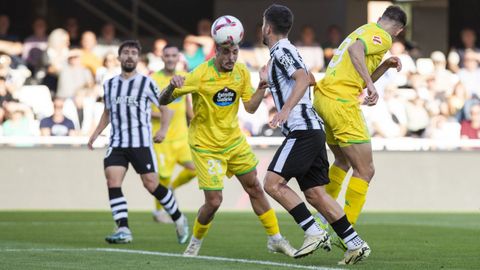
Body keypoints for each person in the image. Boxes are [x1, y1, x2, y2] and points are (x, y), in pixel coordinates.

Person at [159, 26, 295, 257]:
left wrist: (262, 87)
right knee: (214, 201)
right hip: (206, 145)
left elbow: (250, 108)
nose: (231, 57)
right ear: (216, 52)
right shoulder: (200, 74)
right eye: (226, 52)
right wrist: (172, 85)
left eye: (235, 52)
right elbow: (163, 99)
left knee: (254, 186)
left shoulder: (241, 72)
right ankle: (195, 241)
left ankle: (275, 239)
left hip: (233, 141)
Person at [260, 4, 370, 265]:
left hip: (302, 130)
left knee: (272, 183)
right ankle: (355, 243)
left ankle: (313, 231)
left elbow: (301, 78)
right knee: (315, 194)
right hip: (311, 129)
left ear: (267, 27)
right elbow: (309, 77)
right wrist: (270, 82)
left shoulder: (282, 50)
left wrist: (285, 109)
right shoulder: (286, 51)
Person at [313, 6, 406, 229]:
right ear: (399, 31)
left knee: (343, 161)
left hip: (324, 98)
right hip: (342, 103)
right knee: (366, 170)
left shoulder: (364, 29)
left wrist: (384, 65)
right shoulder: (383, 37)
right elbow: (356, 51)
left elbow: (358, 75)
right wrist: (373, 86)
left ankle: (320, 220)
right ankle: (345, 232)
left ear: (379, 18)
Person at [87, 40, 189, 245]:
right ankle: (123, 228)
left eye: (134, 53)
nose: (130, 56)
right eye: (126, 53)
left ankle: (178, 218)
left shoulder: (146, 82)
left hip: (141, 143)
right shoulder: (110, 84)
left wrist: (162, 130)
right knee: (112, 181)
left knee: (151, 185)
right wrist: (96, 133)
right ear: (119, 57)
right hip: (117, 143)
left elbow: (165, 109)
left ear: (138, 58)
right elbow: (107, 112)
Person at [150, 44, 196, 223]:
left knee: (195, 170)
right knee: (163, 177)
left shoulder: (183, 78)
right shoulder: (153, 79)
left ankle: (172, 189)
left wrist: (194, 120)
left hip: (182, 138)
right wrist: (164, 114)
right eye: (166, 55)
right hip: (162, 139)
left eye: (173, 55)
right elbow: (145, 109)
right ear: (162, 57)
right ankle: (158, 212)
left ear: (178, 58)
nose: (170, 58)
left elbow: (187, 106)